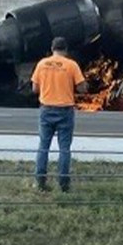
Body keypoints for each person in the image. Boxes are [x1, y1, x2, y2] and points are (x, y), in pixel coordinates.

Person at [31, 37, 87, 192]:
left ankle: (40, 181)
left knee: (43, 146)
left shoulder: (42, 64)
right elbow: (82, 88)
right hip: (65, 111)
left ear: (52, 48)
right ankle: (63, 184)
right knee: (64, 148)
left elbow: (34, 89)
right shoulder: (71, 65)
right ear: (66, 50)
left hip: (46, 109)